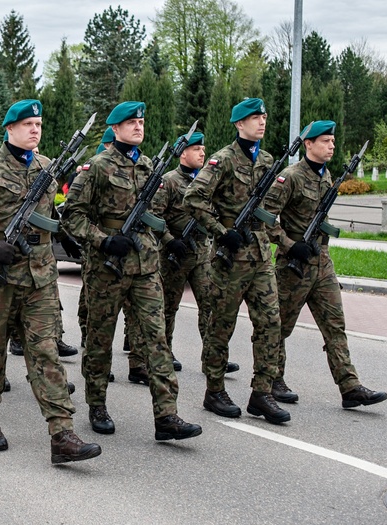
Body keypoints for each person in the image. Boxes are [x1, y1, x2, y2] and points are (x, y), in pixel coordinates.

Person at [0, 100, 102, 463]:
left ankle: (62, 433)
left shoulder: (47, 166)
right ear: (9, 128)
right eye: (28, 124)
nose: (35, 130)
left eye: (39, 124)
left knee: (45, 351)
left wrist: (66, 236)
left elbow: (49, 213)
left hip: (40, 277)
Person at [61, 101, 202, 441]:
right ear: (115, 128)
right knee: (99, 339)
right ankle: (96, 404)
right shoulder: (95, 168)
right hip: (107, 269)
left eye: (141, 121)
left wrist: (161, 238)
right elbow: (72, 214)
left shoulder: (151, 166)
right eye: (131, 122)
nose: (138, 126)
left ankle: (167, 415)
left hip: (146, 266)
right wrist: (104, 240)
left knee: (156, 339)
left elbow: (157, 214)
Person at [263, 120, 387, 409]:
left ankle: (350, 386)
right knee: (278, 326)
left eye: (332, 141)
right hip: (293, 266)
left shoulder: (326, 176)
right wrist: (290, 244)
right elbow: (264, 218)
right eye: (325, 141)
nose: (331, 145)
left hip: (322, 264)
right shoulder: (289, 178)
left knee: (335, 325)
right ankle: (272, 380)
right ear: (308, 144)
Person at [182, 97, 290, 425]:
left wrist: (283, 241)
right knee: (220, 325)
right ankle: (214, 390)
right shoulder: (223, 161)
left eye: (264, 116)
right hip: (229, 258)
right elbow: (194, 198)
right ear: (239, 124)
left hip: (260, 255)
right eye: (255, 117)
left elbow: (269, 210)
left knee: (271, 323)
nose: (262, 121)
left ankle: (262, 392)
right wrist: (220, 230)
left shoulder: (269, 160)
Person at [150, 131, 239, 375]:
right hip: (174, 255)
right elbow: (154, 217)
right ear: (182, 153)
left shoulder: (207, 182)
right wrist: (169, 241)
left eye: (203, 149)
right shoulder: (167, 181)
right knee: (168, 308)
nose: (202, 153)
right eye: (197, 149)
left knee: (210, 305)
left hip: (201, 254)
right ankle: (163, 354)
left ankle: (213, 356)